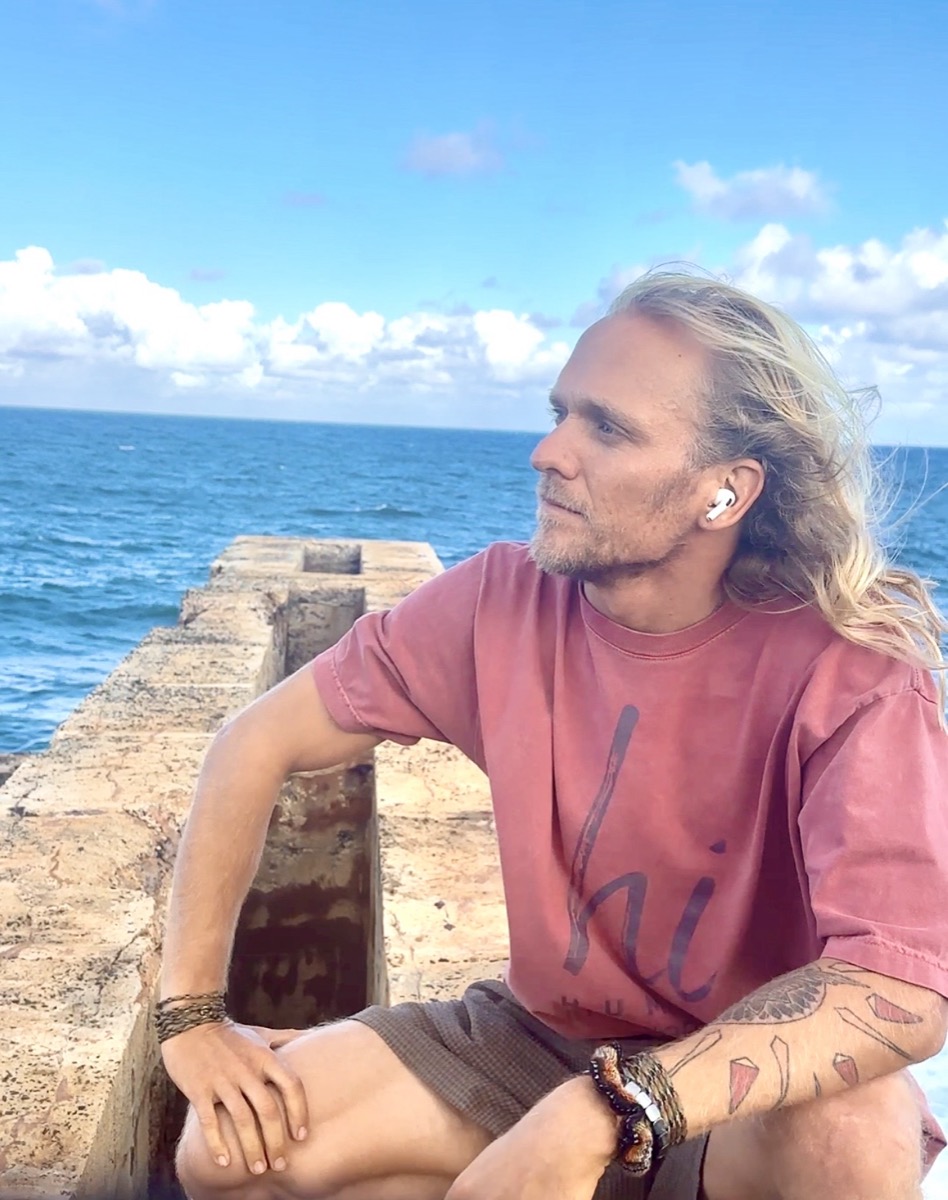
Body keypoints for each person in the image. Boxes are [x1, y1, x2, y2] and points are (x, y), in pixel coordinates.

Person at [160, 269, 948, 1200]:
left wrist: (613, 1109)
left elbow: (900, 990)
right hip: (538, 1040)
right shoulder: (501, 604)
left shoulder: (852, 668)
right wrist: (193, 1019)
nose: (547, 451)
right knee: (231, 1155)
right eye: (560, 412)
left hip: (737, 1093)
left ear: (725, 494)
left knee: (854, 1130)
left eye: (605, 428)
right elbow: (253, 742)